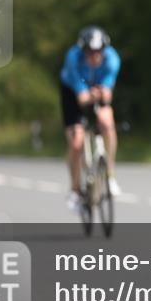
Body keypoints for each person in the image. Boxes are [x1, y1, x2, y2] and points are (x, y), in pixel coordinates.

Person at [59, 26, 122, 211]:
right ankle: (75, 189)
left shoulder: (112, 59)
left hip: (97, 88)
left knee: (106, 121)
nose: (94, 57)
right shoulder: (73, 58)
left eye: (98, 52)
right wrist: (86, 94)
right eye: (90, 52)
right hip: (72, 91)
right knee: (77, 143)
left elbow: (107, 93)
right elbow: (81, 96)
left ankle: (110, 175)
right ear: (83, 50)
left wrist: (102, 93)